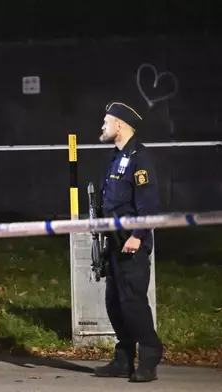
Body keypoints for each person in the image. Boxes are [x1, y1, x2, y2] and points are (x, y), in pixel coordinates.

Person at [93, 102, 164, 382]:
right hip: (113, 242)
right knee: (114, 302)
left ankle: (150, 355)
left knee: (133, 302)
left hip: (131, 242)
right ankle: (123, 359)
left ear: (120, 124)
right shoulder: (117, 157)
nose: (102, 125)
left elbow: (149, 205)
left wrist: (137, 236)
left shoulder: (139, 158)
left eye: (106, 121)